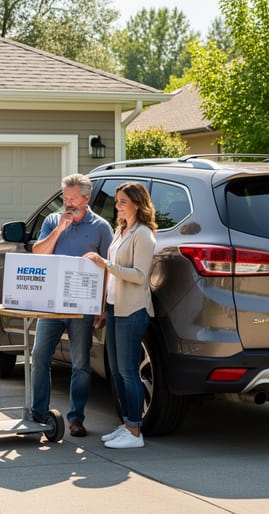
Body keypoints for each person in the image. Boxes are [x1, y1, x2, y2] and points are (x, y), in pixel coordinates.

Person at [30, 174, 113, 437]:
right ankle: (39, 414)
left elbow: (107, 270)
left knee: (80, 363)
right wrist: (59, 230)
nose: (67, 203)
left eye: (73, 199)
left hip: (81, 307)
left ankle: (76, 418)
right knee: (39, 357)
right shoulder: (53, 221)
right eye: (65, 198)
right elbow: (39, 253)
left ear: (87, 199)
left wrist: (102, 306)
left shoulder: (101, 228)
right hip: (51, 306)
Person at [85, 182, 156, 449]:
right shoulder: (121, 229)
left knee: (128, 371)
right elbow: (112, 277)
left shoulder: (143, 234)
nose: (117, 206)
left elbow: (140, 276)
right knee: (115, 371)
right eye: (117, 201)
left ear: (138, 203)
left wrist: (106, 264)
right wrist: (103, 307)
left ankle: (135, 431)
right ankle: (127, 423)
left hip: (133, 310)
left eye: (123, 201)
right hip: (115, 308)